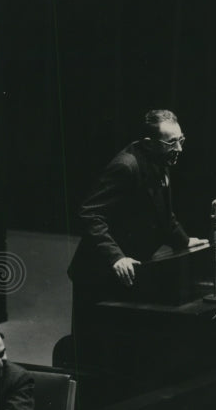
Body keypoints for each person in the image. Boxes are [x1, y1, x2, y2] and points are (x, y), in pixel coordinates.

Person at [67, 109, 207, 331]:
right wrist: (116, 258)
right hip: (99, 272)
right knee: (93, 343)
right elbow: (90, 213)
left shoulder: (161, 159)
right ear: (150, 143)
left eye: (181, 140)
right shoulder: (126, 166)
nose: (179, 148)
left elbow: (163, 213)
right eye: (171, 143)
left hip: (130, 270)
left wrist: (184, 241)